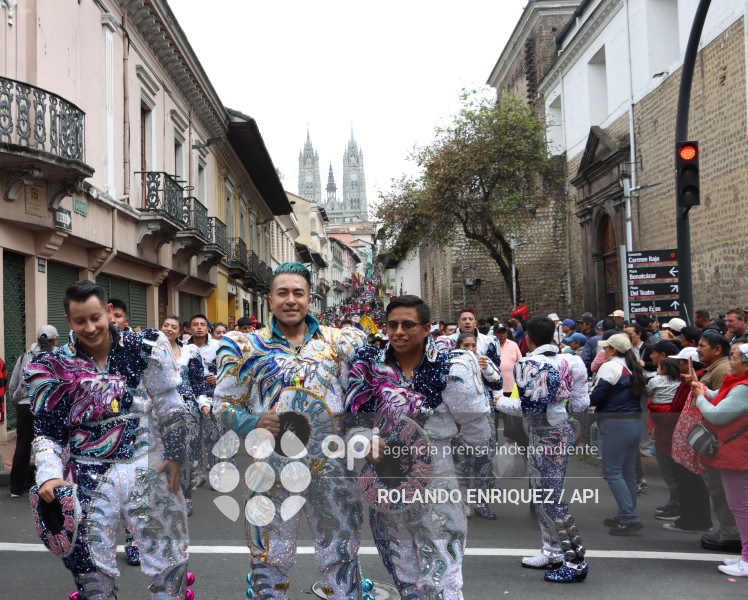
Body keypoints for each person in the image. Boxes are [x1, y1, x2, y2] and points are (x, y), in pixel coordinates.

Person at [25, 280, 188, 600]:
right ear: (69, 321)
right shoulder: (52, 365)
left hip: (148, 467)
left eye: (96, 317)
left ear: (109, 312)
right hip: (87, 476)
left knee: (169, 568)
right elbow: (47, 431)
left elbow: (171, 405)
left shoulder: (146, 347)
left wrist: (176, 454)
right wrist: (48, 473)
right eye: (80, 320)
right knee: (92, 577)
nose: (90, 327)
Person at [214, 263, 367, 599]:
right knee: (270, 558)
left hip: (331, 468)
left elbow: (361, 402)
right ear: (269, 299)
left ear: (310, 298)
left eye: (298, 292)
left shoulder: (340, 342)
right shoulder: (247, 346)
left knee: (341, 552)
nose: (291, 300)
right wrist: (253, 421)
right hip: (270, 468)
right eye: (282, 292)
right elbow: (222, 405)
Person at [347, 294, 493, 597]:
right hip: (385, 477)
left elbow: (478, 429)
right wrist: (365, 442)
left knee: (443, 571)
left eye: (408, 325)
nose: (399, 331)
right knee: (404, 571)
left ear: (426, 328)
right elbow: (351, 421)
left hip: (436, 474)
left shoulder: (453, 364)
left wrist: (458, 453)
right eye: (392, 325)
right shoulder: (369, 364)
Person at [495, 317, 590, 582]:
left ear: (528, 338)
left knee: (550, 498)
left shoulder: (528, 364)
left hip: (544, 436)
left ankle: (575, 561)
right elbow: (582, 404)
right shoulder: (573, 361)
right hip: (560, 432)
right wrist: (561, 409)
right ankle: (552, 551)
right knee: (542, 494)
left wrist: (498, 401)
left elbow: (527, 407)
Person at [690, 343, 748, 576]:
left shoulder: (743, 387)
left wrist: (699, 397)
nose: (730, 362)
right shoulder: (739, 385)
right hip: (736, 452)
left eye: (734, 358)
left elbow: (717, 414)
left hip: (737, 454)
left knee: (740, 507)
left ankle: (746, 558)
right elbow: (722, 400)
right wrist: (702, 390)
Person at [589, 333, 647, 535]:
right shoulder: (633, 366)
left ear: (613, 350)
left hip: (615, 423)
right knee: (628, 473)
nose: (603, 351)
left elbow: (595, 396)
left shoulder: (610, 366)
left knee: (612, 472)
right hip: (633, 423)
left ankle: (629, 517)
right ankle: (626, 513)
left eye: (606, 348)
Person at [161, 316, 209, 516]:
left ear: (181, 332)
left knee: (187, 455)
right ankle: (167, 496)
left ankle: (186, 496)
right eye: (166, 325)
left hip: (188, 410)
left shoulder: (191, 352)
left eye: (174, 327)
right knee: (164, 455)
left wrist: (203, 403)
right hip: (161, 411)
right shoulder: (150, 353)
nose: (169, 329)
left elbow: (198, 382)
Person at [454, 331, 503, 519]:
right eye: (466, 346)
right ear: (459, 347)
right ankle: (463, 501)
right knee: (462, 464)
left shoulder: (484, 361)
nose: (470, 350)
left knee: (483, 464)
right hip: (462, 421)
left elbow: (498, 381)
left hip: (484, 419)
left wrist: (487, 370)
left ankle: (481, 503)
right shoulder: (453, 365)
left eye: (473, 346)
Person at [8, 325, 58, 498]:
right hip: (48, 408)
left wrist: (19, 403)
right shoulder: (59, 358)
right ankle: (49, 486)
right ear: (54, 340)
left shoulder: (24, 357)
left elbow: (13, 385)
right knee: (50, 447)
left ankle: (16, 489)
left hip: (25, 407)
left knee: (22, 446)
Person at [646, 357, 684, 521]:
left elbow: (647, 391)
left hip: (662, 425)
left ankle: (676, 503)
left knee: (669, 470)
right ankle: (675, 502)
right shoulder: (680, 383)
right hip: (674, 425)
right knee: (675, 469)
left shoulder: (655, 380)